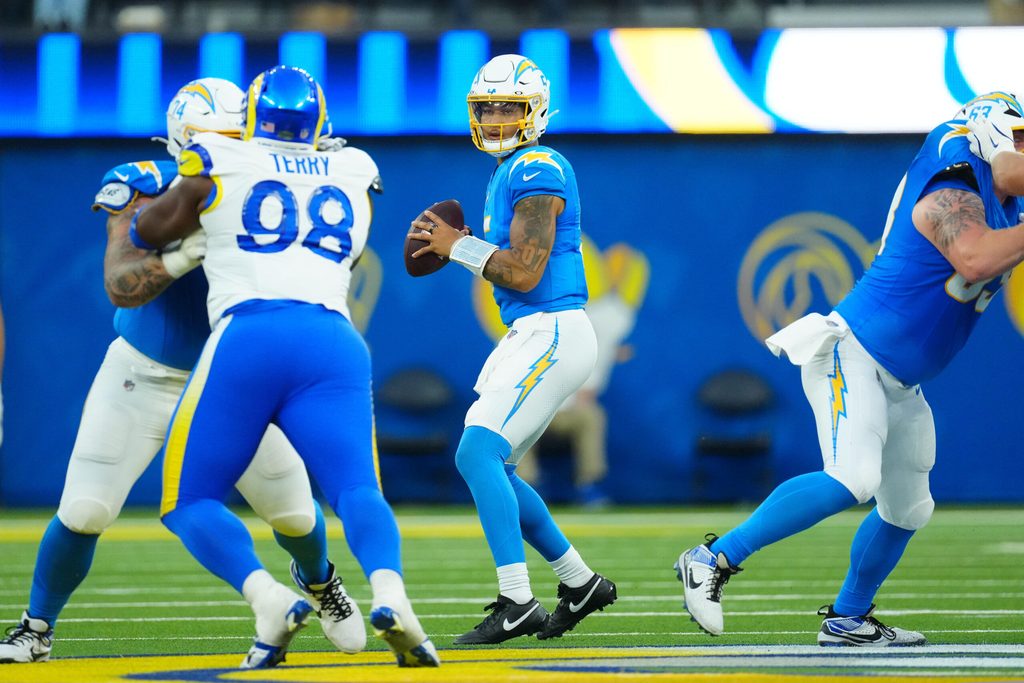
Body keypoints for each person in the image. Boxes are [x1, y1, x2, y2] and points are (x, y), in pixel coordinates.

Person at [0, 78, 364, 666]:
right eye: (208, 139)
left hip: (230, 378)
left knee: (295, 512)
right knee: (85, 508)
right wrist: (184, 253)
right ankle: (35, 627)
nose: (220, 149)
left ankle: (320, 581)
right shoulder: (145, 184)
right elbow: (120, 284)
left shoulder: (263, 184)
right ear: (180, 141)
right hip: (143, 374)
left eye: (233, 137)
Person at [676, 91, 1024, 646]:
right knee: (853, 478)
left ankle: (848, 619)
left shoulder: (1009, 204)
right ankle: (711, 558)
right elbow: (975, 256)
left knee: (908, 508)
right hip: (853, 351)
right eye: (1022, 141)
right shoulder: (953, 174)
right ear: (993, 134)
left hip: (901, 379)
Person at [132, 65, 439, 669]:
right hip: (333, 338)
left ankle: (269, 599)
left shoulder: (219, 157)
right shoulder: (355, 167)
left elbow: (149, 229)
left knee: (187, 501)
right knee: (357, 489)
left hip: (251, 332)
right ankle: (393, 596)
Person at [408, 54, 616, 644]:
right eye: (489, 108)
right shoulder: (510, 171)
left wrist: (458, 247)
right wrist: (466, 246)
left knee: (476, 453)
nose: (498, 118)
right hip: (535, 330)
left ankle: (518, 600)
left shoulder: (536, 165)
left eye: (510, 107)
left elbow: (525, 272)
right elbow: (514, 267)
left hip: (552, 327)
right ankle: (580, 583)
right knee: (491, 463)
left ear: (536, 112)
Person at [516, 243, 648, 506]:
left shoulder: (592, 325)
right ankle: (527, 489)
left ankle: (589, 486)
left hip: (568, 411)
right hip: (533, 409)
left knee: (591, 415)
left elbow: (588, 387)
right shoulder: (527, 321)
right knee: (515, 415)